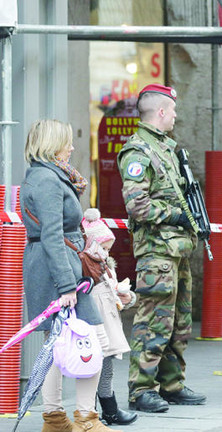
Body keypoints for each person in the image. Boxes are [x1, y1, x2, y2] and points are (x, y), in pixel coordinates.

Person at [21, 119, 119, 432]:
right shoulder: (48, 180)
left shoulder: (43, 176)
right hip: (59, 270)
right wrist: (67, 285)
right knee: (93, 341)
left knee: (56, 343)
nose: (72, 147)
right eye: (67, 141)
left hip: (51, 265)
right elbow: (51, 235)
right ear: (52, 144)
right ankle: (86, 419)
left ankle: (55, 419)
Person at [118, 84, 206, 413]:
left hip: (176, 250)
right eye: (174, 111)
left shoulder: (165, 148)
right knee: (154, 321)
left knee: (179, 323)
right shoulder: (139, 151)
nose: (177, 117)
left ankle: (171, 383)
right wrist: (175, 214)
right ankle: (141, 389)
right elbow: (137, 206)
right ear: (162, 112)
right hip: (157, 251)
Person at [81, 208, 139, 426]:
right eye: (103, 247)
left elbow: (112, 292)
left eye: (108, 248)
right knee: (94, 367)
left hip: (108, 322)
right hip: (96, 323)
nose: (106, 252)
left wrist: (126, 297)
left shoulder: (105, 266)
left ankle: (109, 409)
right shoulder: (87, 266)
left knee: (107, 367)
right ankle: (95, 411)